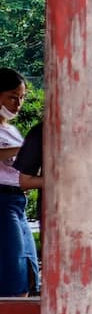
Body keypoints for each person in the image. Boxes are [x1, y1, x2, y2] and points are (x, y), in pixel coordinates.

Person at [0, 69, 37, 297]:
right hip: (2, 201)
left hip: (17, 200)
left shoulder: (12, 131)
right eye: (13, 97)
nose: (19, 103)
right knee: (12, 263)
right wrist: (29, 150)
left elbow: (23, 170)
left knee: (27, 265)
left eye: (22, 97)